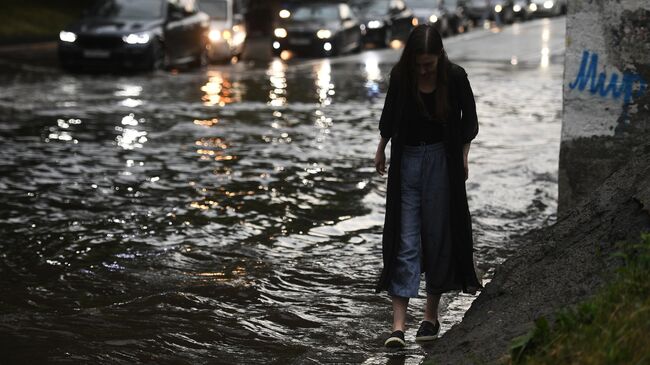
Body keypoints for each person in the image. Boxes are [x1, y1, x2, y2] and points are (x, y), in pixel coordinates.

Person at [373, 24, 481, 348]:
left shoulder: (456, 77)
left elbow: (469, 123)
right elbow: (389, 117)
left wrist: (463, 156)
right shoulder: (401, 77)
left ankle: (429, 317)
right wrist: (380, 149)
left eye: (429, 64)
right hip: (406, 163)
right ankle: (397, 327)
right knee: (404, 241)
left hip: (441, 164)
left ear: (439, 57)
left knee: (437, 238)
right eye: (419, 64)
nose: (423, 70)